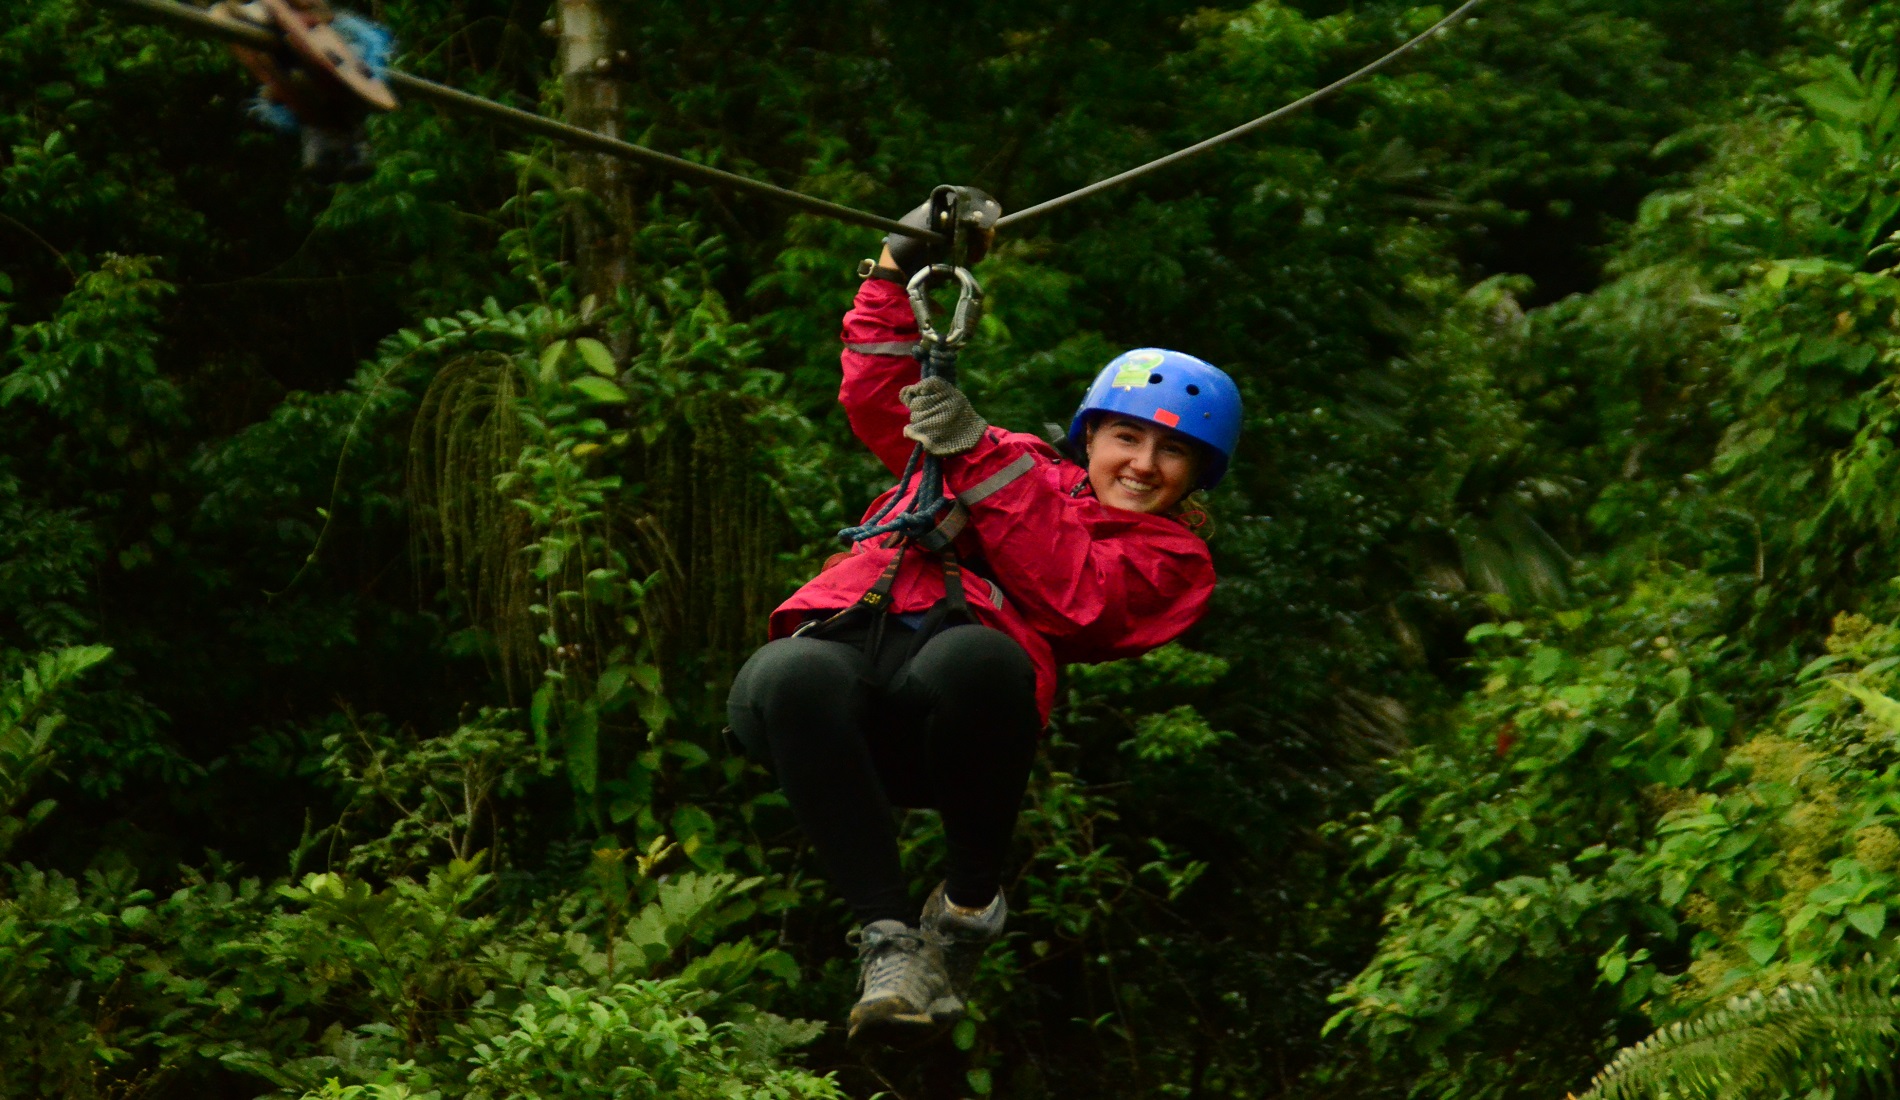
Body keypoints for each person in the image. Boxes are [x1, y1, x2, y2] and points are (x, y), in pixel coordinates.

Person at [726, 208, 1243, 1041]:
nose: (1142, 466)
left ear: (1196, 477)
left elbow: (1080, 597)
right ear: (1089, 438)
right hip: (839, 686)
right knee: (794, 670)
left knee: (979, 658)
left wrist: (980, 464)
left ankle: (967, 904)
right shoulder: (1009, 458)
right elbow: (877, 394)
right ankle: (890, 940)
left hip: (949, 723)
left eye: (1170, 454)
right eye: (1125, 438)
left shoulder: (1169, 556)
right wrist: (895, 264)